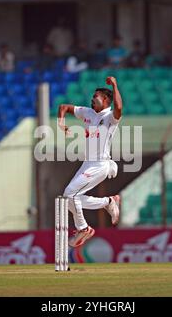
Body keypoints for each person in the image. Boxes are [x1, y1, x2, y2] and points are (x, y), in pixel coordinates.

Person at [57, 76, 122, 248]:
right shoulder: (88, 113)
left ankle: (83, 228)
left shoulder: (110, 117)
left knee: (70, 192)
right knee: (69, 198)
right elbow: (63, 107)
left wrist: (115, 85)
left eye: (96, 97)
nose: (92, 99)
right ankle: (108, 202)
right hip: (87, 163)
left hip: (100, 164)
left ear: (106, 99)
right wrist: (61, 123)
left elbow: (119, 107)